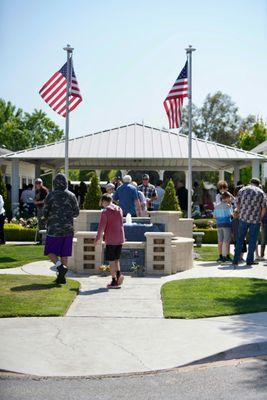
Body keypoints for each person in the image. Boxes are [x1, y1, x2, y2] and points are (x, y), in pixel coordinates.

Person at [43, 174, 79, 284]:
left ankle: (60, 268)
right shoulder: (72, 195)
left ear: (55, 183)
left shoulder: (51, 195)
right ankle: (62, 278)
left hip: (54, 229)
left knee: (49, 251)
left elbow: (45, 212)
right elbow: (76, 213)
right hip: (68, 229)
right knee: (64, 254)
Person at [232, 178, 266, 268]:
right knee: (252, 240)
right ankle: (249, 261)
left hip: (243, 218)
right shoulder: (261, 192)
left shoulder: (242, 190)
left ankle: (235, 260)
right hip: (255, 220)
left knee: (240, 239)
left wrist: (240, 212)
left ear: (250, 182)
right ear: (258, 184)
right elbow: (264, 208)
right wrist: (260, 218)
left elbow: (237, 203)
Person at [95, 194, 125, 289]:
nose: (102, 204)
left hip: (111, 239)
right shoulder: (119, 209)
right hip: (120, 238)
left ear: (104, 201)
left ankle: (113, 281)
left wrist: (97, 239)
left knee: (111, 261)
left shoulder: (105, 211)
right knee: (116, 259)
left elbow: (101, 227)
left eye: (102, 202)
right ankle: (119, 275)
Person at [214, 191, 232, 262]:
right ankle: (227, 256)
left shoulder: (217, 206)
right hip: (226, 224)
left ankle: (220, 256)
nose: (230, 199)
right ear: (227, 198)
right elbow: (230, 215)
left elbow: (214, 216)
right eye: (229, 197)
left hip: (219, 225)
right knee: (227, 241)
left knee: (220, 241)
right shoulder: (227, 206)